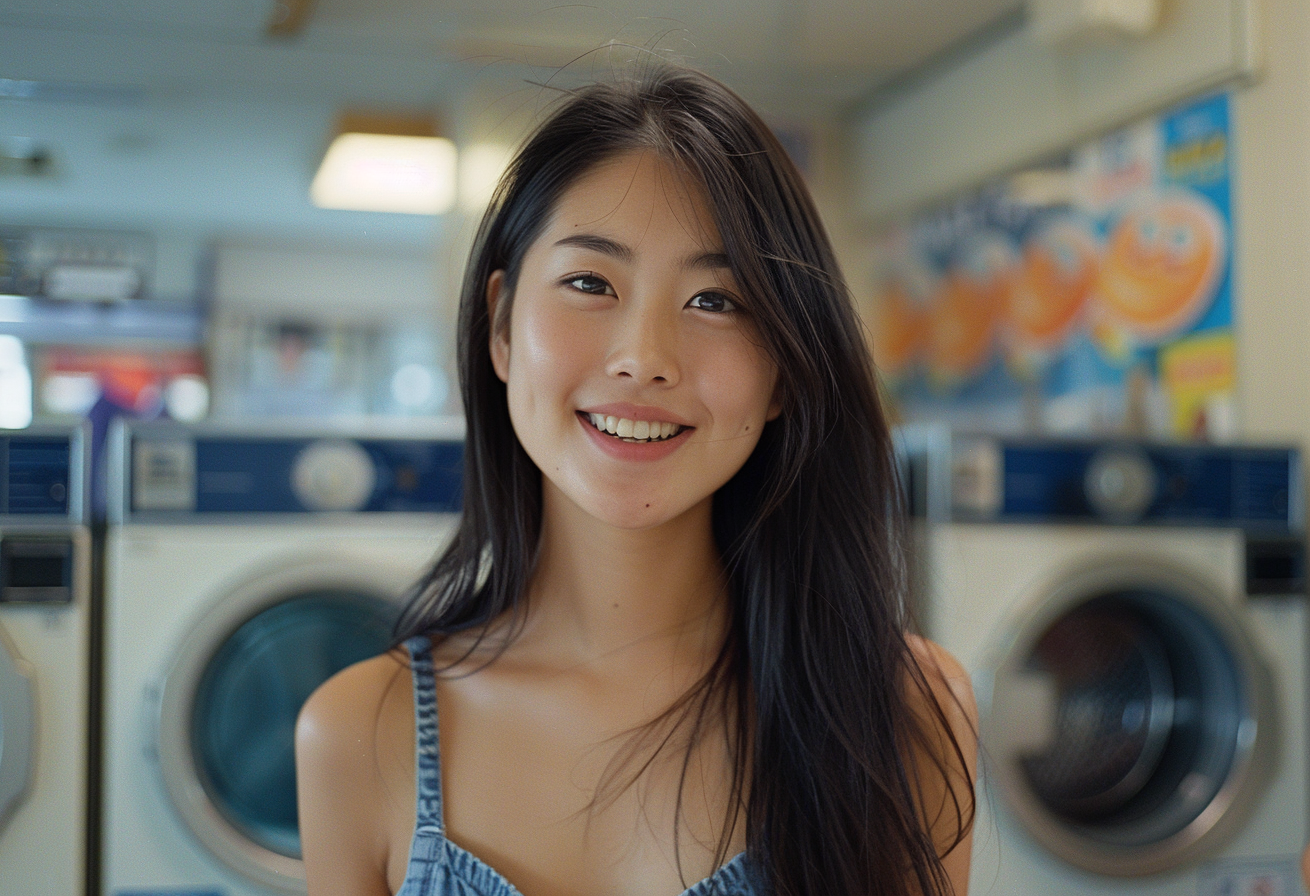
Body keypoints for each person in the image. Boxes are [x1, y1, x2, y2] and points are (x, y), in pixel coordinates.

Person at [296, 62, 978, 896]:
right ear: (502, 325)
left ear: (786, 372)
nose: (643, 359)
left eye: (717, 300)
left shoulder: (905, 709)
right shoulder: (358, 732)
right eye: (590, 283)